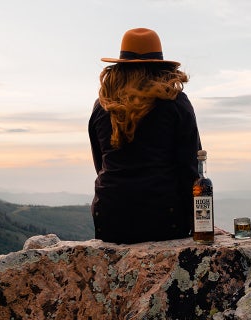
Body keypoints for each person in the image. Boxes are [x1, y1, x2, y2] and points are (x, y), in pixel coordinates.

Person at [88, 28, 202, 244]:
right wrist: (201, 223)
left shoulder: (102, 106)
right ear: (160, 68)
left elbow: (100, 163)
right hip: (163, 220)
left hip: (110, 219)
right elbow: (190, 170)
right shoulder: (175, 102)